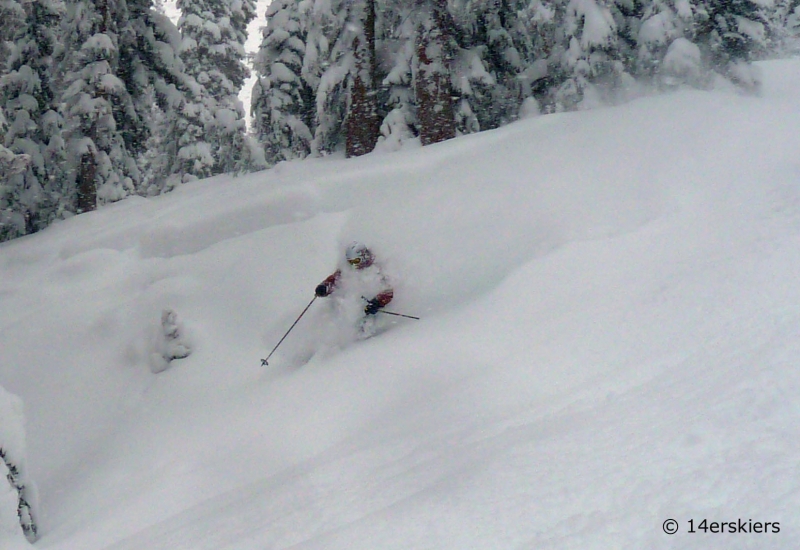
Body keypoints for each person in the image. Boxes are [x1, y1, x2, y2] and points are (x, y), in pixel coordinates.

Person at [315, 241, 393, 318]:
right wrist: (325, 287)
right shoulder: (348, 268)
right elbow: (335, 280)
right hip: (352, 306)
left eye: (356, 261)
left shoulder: (378, 267)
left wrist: (377, 303)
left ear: (364, 256)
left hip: (373, 310)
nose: (354, 264)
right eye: (351, 262)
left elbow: (389, 290)